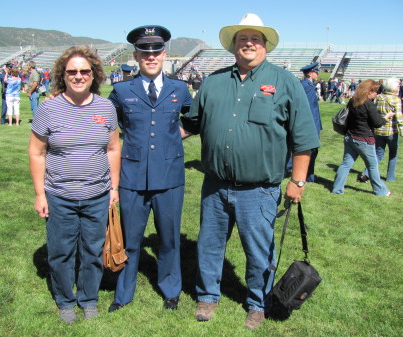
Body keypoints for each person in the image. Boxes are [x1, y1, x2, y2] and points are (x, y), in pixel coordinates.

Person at [180, 13, 319, 331]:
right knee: (210, 244)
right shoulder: (213, 82)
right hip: (215, 185)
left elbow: (303, 138)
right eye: (242, 38)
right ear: (233, 46)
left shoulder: (285, 82)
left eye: (255, 38)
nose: (249, 43)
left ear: (265, 45)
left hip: (259, 189)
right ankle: (207, 296)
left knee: (258, 251)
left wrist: (298, 179)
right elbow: (190, 124)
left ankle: (258, 303)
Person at [29, 46, 121, 324]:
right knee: (60, 252)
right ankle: (65, 301)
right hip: (59, 196)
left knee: (92, 251)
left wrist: (114, 188)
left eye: (84, 71)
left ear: (94, 74)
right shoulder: (49, 108)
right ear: (62, 75)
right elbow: (37, 152)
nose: (78, 76)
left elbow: (113, 149)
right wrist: (39, 194)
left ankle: (88, 298)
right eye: (72, 71)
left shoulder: (106, 108)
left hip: (97, 194)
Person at [107, 25, 193, 313]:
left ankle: (171, 290)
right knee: (130, 239)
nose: (151, 56)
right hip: (132, 177)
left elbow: (194, 120)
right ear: (136, 55)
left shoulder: (180, 89)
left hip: (169, 177)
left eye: (156, 52)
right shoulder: (121, 90)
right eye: (145, 52)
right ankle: (123, 293)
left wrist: (175, 136)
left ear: (164, 55)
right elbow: (111, 125)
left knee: (168, 239)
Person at [331, 79, 394, 196]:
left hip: (350, 137)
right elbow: (377, 123)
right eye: (375, 91)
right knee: (372, 166)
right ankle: (381, 190)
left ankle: (337, 189)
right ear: (369, 91)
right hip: (363, 139)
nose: (376, 94)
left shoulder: (353, 101)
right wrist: (387, 116)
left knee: (346, 164)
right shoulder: (369, 104)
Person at [358, 77, 403, 182]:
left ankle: (366, 173)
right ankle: (390, 177)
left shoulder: (378, 97)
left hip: (378, 130)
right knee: (393, 155)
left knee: (378, 154)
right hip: (391, 131)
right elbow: (399, 118)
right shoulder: (396, 100)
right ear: (394, 88)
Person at [299, 62, 322, 182]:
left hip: (313, 122)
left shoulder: (308, 85)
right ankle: (308, 175)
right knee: (310, 149)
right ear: (311, 73)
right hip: (311, 123)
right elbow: (307, 107)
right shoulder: (307, 86)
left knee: (311, 150)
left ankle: (309, 175)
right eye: (316, 72)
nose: (318, 74)